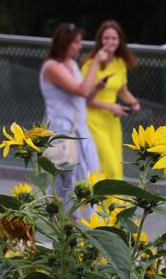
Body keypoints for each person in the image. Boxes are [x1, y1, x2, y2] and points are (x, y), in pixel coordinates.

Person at [39, 22, 108, 210]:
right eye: (76, 42)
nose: (80, 46)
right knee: (67, 188)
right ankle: (69, 229)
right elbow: (81, 90)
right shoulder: (52, 67)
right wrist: (95, 61)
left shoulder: (71, 64)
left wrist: (96, 88)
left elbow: (82, 99)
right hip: (63, 135)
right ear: (65, 43)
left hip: (79, 131)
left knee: (87, 184)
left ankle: (84, 228)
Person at [81, 20, 140, 180]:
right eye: (106, 38)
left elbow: (122, 89)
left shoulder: (120, 63)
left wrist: (133, 102)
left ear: (119, 40)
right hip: (93, 120)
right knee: (109, 167)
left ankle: (117, 205)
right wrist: (110, 106)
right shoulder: (89, 64)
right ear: (100, 40)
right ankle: (100, 205)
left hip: (112, 121)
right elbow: (85, 98)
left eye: (113, 38)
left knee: (117, 169)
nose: (110, 42)